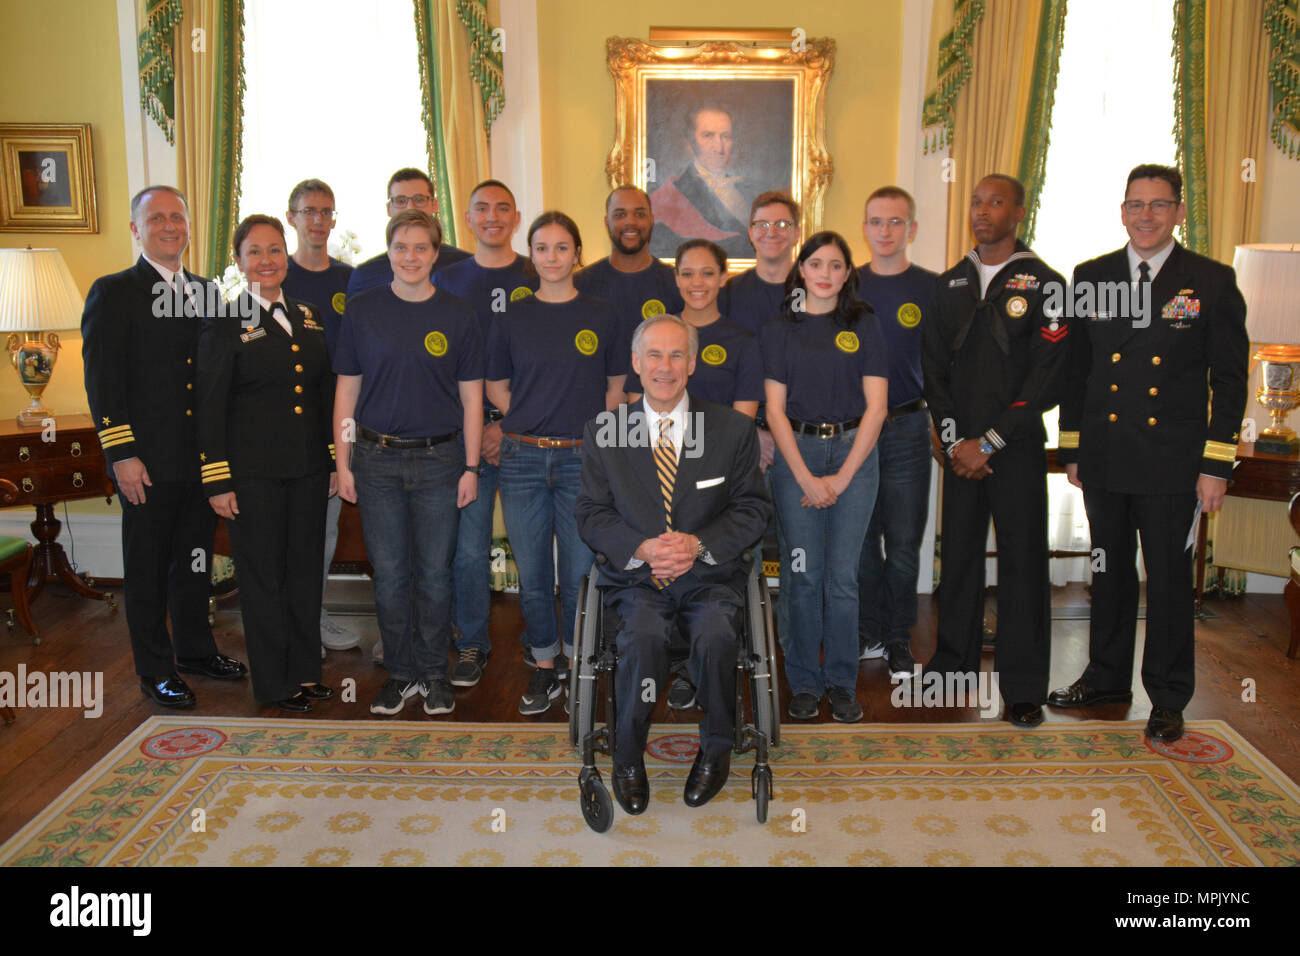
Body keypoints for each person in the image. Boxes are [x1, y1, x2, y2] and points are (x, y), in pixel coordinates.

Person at [1051, 164, 1249, 743]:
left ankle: (1166, 695)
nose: (1146, 216)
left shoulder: (1210, 281)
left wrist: (1216, 465)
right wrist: (1073, 448)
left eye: (1159, 205)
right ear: (1122, 212)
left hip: (1173, 464)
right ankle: (1107, 678)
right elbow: (1076, 371)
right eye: (1135, 205)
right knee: (1107, 574)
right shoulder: (1092, 275)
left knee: (1166, 583)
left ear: (1179, 212)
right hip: (1108, 458)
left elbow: (1231, 381)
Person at [576, 314, 771, 813]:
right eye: (655, 356)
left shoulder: (730, 429)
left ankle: (716, 748)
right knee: (640, 638)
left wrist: (698, 544)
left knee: (716, 634)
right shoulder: (605, 432)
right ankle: (627, 757)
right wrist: (641, 548)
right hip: (637, 582)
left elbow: (753, 509)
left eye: (676, 354)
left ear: (692, 363)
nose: (666, 366)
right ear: (637, 364)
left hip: (708, 578)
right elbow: (591, 514)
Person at [81, 185, 248, 709]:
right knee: (150, 569)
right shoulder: (114, 292)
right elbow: (103, 385)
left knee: (195, 561)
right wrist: (120, 455)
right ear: (136, 229)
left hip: (198, 463)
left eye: (178, 217)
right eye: (157, 218)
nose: (170, 226)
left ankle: (196, 651)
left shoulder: (206, 293)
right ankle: (155, 669)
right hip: (146, 465)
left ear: (189, 226)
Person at [922, 174, 1069, 728]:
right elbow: (933, 369)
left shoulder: (1047, 284)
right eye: (977, 202)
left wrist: (990, 442)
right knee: (957, 559)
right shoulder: (951, 283)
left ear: (1020, 210)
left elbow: (1047, 380)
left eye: (996, 202)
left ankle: (1025, 687)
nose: (983, 211)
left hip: (1015, 451)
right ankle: (950, 667)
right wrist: (957, 438)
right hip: (959, 452)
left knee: (1023, 565)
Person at [333, 209, 484, 717]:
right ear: (388, 252)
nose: (411, 257)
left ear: (436, 255)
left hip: (442, 461)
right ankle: (400, 674)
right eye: (402, 247)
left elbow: (472, 400)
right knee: (392, 573)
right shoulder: (362, 310)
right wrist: (345, 460)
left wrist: (470, 467)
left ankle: (434, 674)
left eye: (422, 248)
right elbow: (346, 392)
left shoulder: (460, 315)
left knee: (436, 575)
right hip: (376, 461)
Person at [487, 211, 628, 715]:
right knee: (533, 574)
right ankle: (545, 667)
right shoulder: (512, 316)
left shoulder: (603, 314)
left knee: (579, 573)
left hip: (581, 462)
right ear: (532, 256)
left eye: (561, 247)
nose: (551, 257)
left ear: (576, 254)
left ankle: (580, 666)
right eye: (542, 248)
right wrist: (526, 420)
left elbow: (615, 388)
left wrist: (594, 437)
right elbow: (496, 386)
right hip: (522, 459)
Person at [196, 214, 335, 712]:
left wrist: (333, 459)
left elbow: (322, 395)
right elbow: (209, 408)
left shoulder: (309, 316)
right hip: (252, 477)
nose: (267, 260)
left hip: (307, 471)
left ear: (286, 255)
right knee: (263, 580)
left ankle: (304, 671)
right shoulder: (225, 324)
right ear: (238, 262)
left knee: (303, 573)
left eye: (275, 250)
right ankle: (275, 683)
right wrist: (217, 479)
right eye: (254, 252)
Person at [624, 238, 762, 710]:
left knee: (713, 600)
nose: (697, 282)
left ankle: (697, 676)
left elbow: (741, 422)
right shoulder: (660, 335)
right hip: (660, 466)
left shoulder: (742, 339)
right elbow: (630, 415)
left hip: (717, 478)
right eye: (688, 272)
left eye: (708, 273)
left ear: (724, 278)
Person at [763, 232, 889, 723]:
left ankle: (840, 683)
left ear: (847, 274)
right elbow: (773, 412)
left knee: (842, 580)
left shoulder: (865, 324)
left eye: (836, 266)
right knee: (802, 575)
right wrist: (807, 478)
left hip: (855, 457)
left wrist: (840, 478)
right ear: (801, 270)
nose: (825, 274)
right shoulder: (779, 328)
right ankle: (803, 684)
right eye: (815, 263)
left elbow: (877, 409)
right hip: (798, 455)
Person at [436, 180, 538, 687]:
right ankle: (471, 642)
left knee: (536, 546)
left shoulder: (542, 270)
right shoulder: (446, 279)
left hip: (531, 437)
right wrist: (485, 427)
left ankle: (545, 647)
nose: (493, 217)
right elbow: (440, 363)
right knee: (470, 548)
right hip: (464, 437)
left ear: (516, 218)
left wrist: (508, 423)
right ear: (468, 218)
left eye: (503, 208)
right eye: (482, 209)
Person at [855, 186, 938, 679]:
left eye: (895, 222)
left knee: (904, 542)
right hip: (854, 430)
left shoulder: (934, 287)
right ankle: (866, 632)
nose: (884, 231)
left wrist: (946, 430)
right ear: (863, 227)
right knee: (862, 541)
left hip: (908, 426)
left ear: (912, 229)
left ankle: (897, 638)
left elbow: (947, 364)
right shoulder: (845, 285)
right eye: (875, 221)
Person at [280, 177, 357, 655]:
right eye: (309, 211)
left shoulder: (352, 280)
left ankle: (315, 613)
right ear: (292, 217)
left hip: (342, 424)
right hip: (286, 427)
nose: (318, 220)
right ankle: (289, 621)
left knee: (325, 531)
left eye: (326, 212)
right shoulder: (272, 276)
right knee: (288, 530)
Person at [650, 103, 760, 260]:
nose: (719, 147)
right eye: (708, 136)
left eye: (726, 136)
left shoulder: (746, 191)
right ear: (690, 144)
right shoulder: (673, 196)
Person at [344, 168, 471, 299]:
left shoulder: (466, 267)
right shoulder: (365, 276)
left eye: (419, 199)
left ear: (435, 205)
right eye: (400, 201)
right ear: (388, 209)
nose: (410, 207)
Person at [574, 186, 683, 334]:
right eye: (620, 215)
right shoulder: (580, 285)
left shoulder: (677, 284)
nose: (630, 221)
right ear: (607, 222)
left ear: (651, 220)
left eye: (639, 214)